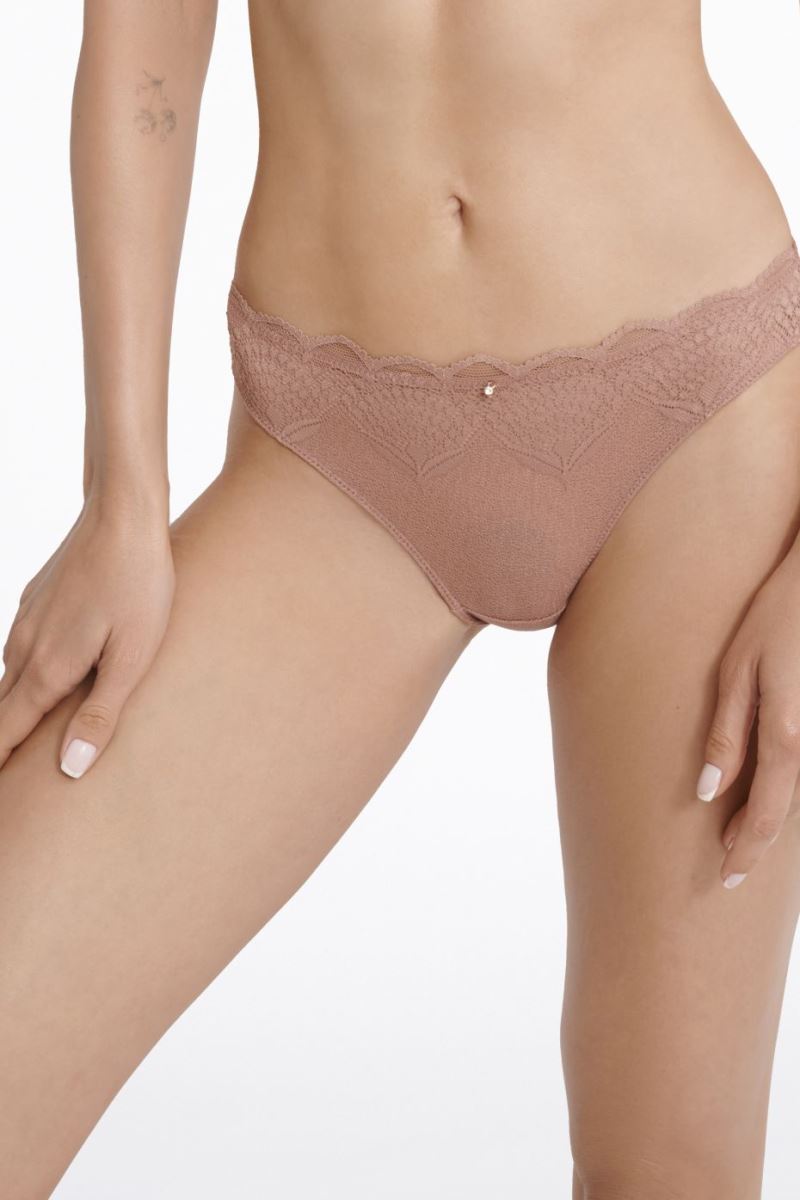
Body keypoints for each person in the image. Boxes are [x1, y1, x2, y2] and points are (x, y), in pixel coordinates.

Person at [2, 2, 800, 1196]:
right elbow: (146, 36)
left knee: (667, 1167)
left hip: (698, 419)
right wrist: (123, 498)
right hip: (332, 446)